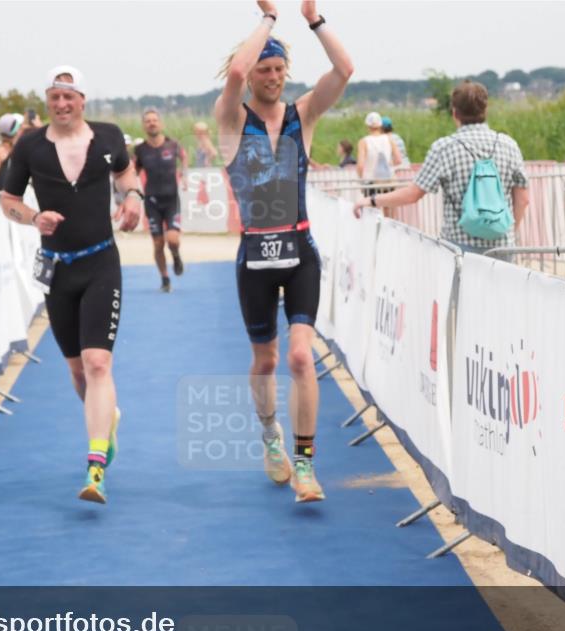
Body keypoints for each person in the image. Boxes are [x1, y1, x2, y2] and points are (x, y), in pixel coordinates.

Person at [215, 0, 353, 503]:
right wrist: (269, 19)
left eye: (279, 69)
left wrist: (314, 20)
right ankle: (270, 431)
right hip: (254, 257)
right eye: (264, 70)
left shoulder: (303, 115)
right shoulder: (232, 119)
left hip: (300, 250)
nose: (273, 77)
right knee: (266, 361)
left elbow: (344, 69)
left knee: (300, 356)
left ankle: (306, 464)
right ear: (252, 74)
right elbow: (232, 70)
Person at [0, 65, 142, 504]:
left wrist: (133, 197)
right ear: (48, 102)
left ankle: (95, 467)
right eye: (54, 97)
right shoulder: (29, 147)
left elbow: (125, 173)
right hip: (58, 269)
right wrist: (33, 217)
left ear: (82, 100)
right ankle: (107, 421)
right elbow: (8, 201)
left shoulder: (110, 136)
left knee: (99, 363)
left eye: (69, 96)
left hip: (101, 262)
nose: (62, 104)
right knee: (79, 372)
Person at [353, 80, 529, 255]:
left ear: (454, 113)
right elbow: (523, 199)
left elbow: (412, 194)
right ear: (485, 110)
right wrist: (512, 231)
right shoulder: (509, 145)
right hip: (503, 245)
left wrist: (371, 200)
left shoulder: (444, 147)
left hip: (460, 247)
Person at [135, 108, 187, 292]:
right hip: (152, 202)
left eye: (154, 120)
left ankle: (176, 255)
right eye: (148, 120)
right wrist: (130, 194)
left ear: (160, 123)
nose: (151, 123)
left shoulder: (172, 145)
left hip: (172, 200)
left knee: (172, 239)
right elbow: (133, 172)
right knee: (158, 243)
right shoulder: (140, 150)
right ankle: (165, 279)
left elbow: (184, 157)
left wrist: (186, 175)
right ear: (144, 125)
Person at [357, 111, 401, 183]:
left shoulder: (363, 142)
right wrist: (389, 164)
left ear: (367, 126)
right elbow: (398, 160)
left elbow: (360, 166)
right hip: (388, 181)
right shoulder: (389, 139)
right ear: (380, 125)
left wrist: (362, 179)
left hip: (371, 182)